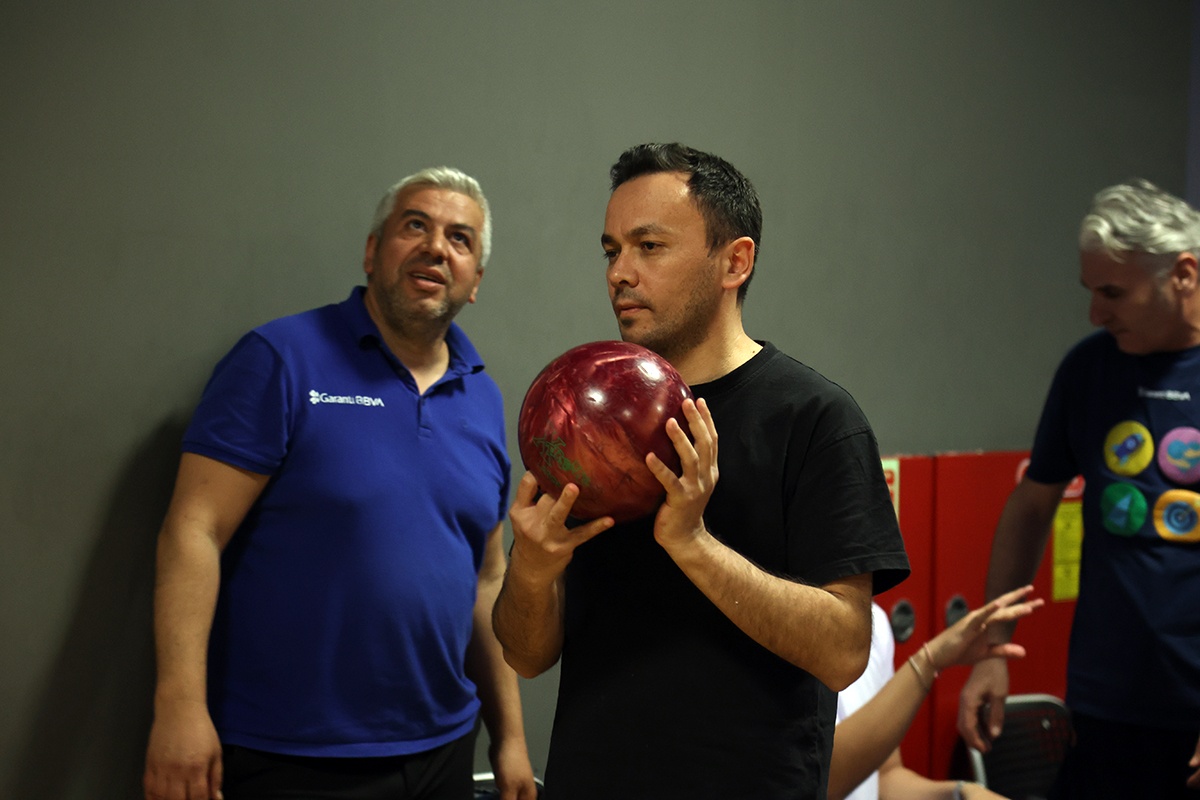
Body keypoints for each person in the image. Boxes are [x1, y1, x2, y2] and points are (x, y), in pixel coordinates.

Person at [492, 142, 911, 799]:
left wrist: (694, 545)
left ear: (734, 262)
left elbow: (843, 653)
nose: (619, 273)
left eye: (649, 246)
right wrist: (533, 571)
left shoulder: (815, 419)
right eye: (611, 250)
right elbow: (525, 655)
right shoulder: (585, 418)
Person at [142, 167, 537, 800]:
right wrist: (178, 708)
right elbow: (194, 530)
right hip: (291, 753)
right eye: (415, 225)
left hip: (443, 749)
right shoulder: (281, 358)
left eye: (460, 238)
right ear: (373, 250)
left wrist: (509, 737)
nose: (437, 247)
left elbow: (487, 580)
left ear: (475, 282)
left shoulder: (484, 399)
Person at [957, 179, 1200, 799]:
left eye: (1113, 293)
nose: (1095, 313)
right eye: (1090, 291)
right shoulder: (1090, 368)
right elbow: (1031, 507)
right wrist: (994, 648)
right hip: (1106, 705)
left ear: (1184, 275)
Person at [830, 587, 1043, 800]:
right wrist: (929, 660)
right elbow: (826, 783)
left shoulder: (874, 623)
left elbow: (886, 777)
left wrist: (963, 792)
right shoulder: (809, 625)